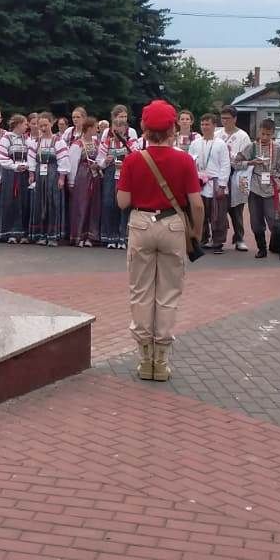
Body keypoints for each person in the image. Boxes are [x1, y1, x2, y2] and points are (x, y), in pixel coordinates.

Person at [115, 100, 203, 383]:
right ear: (173, 128)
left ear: (143, 126)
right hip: (172, 225)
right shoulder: (184, 160)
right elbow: (197, 205)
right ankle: (161, 361)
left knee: (140, 292)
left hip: (141, 223)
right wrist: (195, 234)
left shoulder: (133, 159)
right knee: (168, 294)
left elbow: (122, 201)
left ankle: (144, 358)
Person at [238, 118, 280, 260]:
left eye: (268, 134)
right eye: (263, 134)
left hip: (271, 187)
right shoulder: (252, 147)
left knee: (275, 219)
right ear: (259, 132)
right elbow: (236, 163)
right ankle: (262, 248)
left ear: (273, 134)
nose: (265, 137)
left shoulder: (278, 148)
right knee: (256, 220)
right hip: (254, 187)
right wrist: (250, 162)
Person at [190, 114, 230, 253]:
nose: (205, 127)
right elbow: (190, 162)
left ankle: (218, 242)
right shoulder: (195, 143)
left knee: (218, 214)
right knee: (201, 213)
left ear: (214, 126)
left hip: (215, 184)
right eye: (203, 124)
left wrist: (222, 185)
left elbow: (225, 165)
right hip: (199, 183)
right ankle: (203, 238)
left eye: (207, 124)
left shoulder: (220, 144)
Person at [27, 113, 69, 246]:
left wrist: (62, 178)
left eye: (46, 125)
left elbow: (63, 160)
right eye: (41, 126)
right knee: (40, 203)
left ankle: (53, 236)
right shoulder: (36, 142)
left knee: (53, 203)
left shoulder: (58, 141)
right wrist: (31, 174)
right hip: (40, 174)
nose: (44, 128)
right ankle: (41, 234)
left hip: (53, 174)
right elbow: (31, 159)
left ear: (51, 123)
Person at [216, 108, 253, 251]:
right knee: (218, 209)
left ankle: (239, 238)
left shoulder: (243, 136)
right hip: (220, 175)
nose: (225, 121)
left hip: (236, 174)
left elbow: (247, 157)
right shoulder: (217, 134)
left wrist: (235, 160)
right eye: (222, 118)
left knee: (236, 209)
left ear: (235, 119)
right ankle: (217, 237)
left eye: (228, 118)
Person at [97, 114, 134, 250]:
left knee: (123, 205)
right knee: (109, 203)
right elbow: (99, 161)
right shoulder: (106, 142)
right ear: (112, 128)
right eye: (115, 126)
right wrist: (104, 162)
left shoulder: (131, 142)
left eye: (121, 126)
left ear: (125, 128)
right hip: (110, 175)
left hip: (125, 175)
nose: (118, 129)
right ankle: (110, 237)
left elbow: (137, 159)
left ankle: (122, 237)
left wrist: (127, 162)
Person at [66, 115, 101, 247]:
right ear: (89, 128)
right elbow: (73, 163)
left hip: (94, 175)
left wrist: (100, 164)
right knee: (81, 205)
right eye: (95, 128)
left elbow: (100, 158)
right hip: (81, 176)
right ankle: (78, 235)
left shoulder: (96, 142)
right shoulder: (77, 144)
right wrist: (71, 182)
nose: (97, 130)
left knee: (93, 205)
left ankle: (90, 236)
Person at [0, 114, 32, 244]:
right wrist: (15, 166)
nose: (26, 126)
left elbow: (33, 154)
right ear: (17, 125)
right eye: (24, 124)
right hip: (11, 175)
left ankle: (23, 233)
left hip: (24, 175)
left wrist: (27, 165)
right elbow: (1, 156)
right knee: (10, 202)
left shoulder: (26, 139)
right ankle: (10, 233)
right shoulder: (6, 138)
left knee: (24, 202)